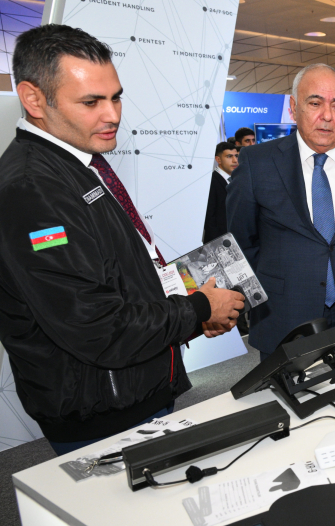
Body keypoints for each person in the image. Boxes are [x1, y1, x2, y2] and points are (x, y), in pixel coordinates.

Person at [0, 24, 244, 454]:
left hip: (135, 388)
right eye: (91, 102)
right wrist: (199, 307)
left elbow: (122, 276)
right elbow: (95, 326)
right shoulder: (32, 190)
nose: (112, 114)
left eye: (115, 97)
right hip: (102, 411)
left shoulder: (79, 163)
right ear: (34, 99)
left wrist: (190, 315)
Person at [227, 64, 335, 357]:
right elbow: (241, 241)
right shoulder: (257, 163)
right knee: (290, 389)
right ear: (293, 108)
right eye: (315, 103)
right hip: (284, 316)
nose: (327, 116)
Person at [203, 141, 238, 244]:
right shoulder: (210, 181)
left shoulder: (238, 179)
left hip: (238, 239)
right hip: (220, 242)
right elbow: (209, 218)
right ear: (218, 159)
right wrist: (220, 243)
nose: (235, 160)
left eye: (236, 156)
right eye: (229, 156)